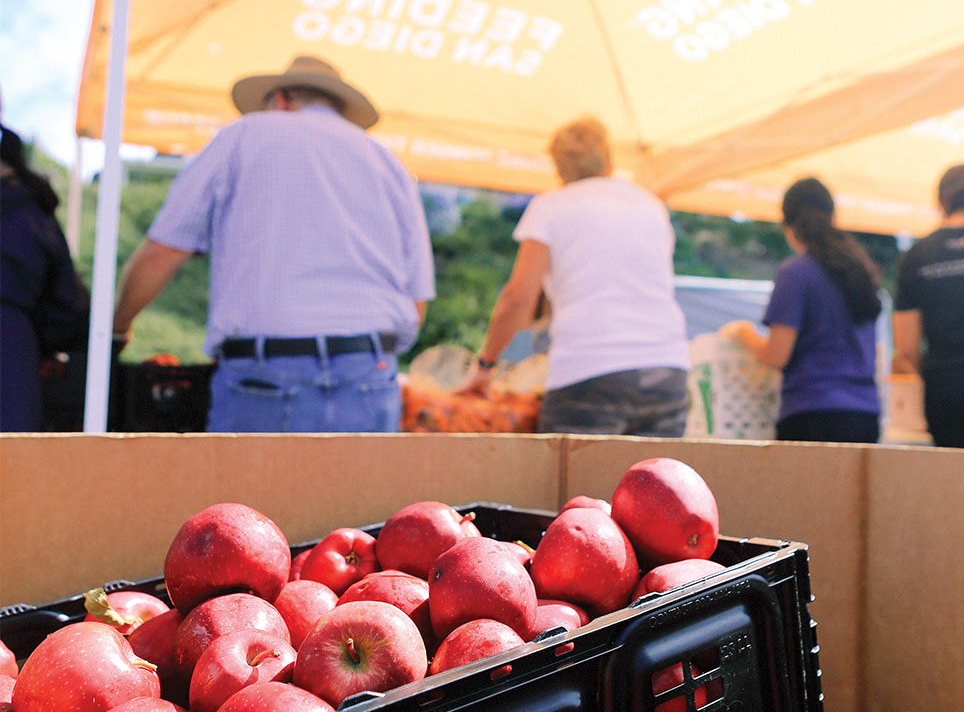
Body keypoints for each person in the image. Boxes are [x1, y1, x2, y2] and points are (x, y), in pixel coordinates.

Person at [111, 55, 435, 433]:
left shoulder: (244, 135)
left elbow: (163, 251)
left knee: (250, 496)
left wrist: (117, 327)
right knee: (365, 496)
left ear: (279, 99)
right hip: (370, 372)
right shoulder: (387, 161)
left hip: (265, 372)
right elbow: (417, 300)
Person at [460, 116, 689, 435]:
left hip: (589, 370)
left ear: (559, 168)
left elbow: (518, 298)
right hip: (668, 368)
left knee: (576, 485)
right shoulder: (651, 204)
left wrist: (485, 365)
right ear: (608, 157)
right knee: (654, 483)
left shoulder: (551, 206)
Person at [722, 177, 882, 442]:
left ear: (788, 224)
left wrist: (743, 333)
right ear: (832, 216)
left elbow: (776, 355)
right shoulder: (861, 270)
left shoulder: (795, 273)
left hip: (813, 414)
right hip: (864, 415)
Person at [892, 163, 964, 450]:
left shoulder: (917, 255)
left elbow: (906, 348)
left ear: (941, 201)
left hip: (947, 386)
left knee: (961, 484)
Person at [1, 122, 91, 431]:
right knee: (12, 465)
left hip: (13, 338)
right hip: (12, 345)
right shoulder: (33, 211)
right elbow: (66, 304)